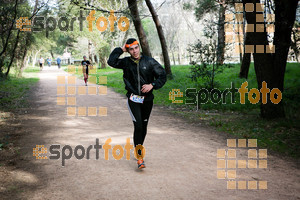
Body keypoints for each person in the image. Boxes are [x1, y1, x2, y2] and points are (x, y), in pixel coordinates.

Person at [107, 38, 166, 169]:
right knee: (138, 125)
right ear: (128, 50)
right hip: (133, 99)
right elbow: (111, 61)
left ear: (139, 47)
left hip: (147, 100)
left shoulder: (149, 61)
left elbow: (162, 75)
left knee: (144, 127)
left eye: (136, 48)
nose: (134, 51)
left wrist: (153, 85)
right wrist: (120, 50)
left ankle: (139, 148)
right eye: (131, 49)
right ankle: (140, 157)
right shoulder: (126, 62)